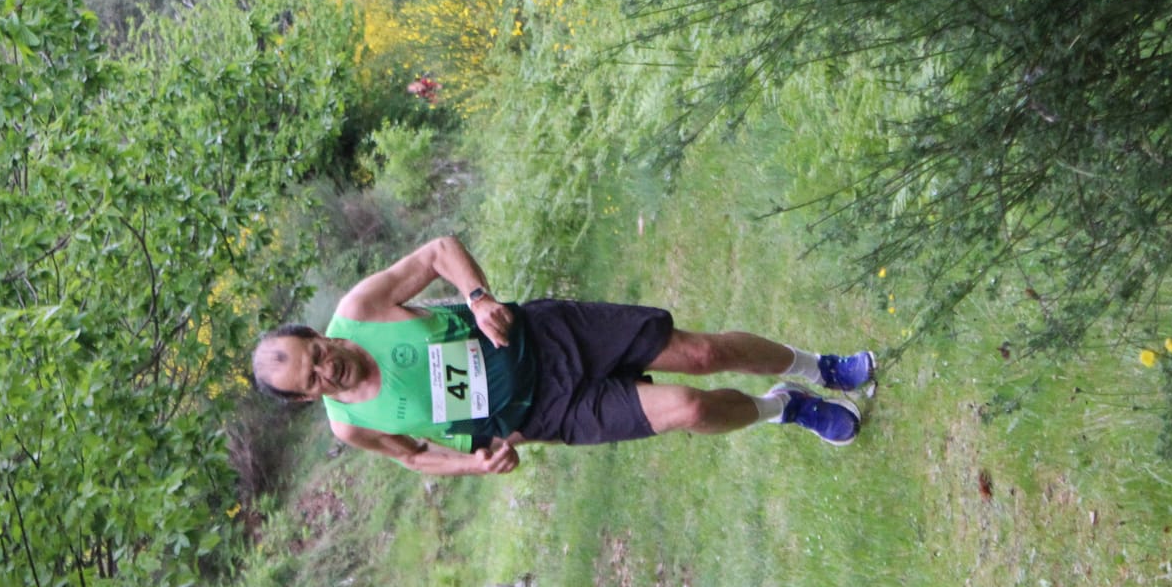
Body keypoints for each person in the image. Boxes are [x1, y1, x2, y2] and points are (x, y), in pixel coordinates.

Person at [249, 235, 877, 477]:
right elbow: (415, 457)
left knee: (702, 351)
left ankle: (815, 366)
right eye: (315, 378)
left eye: (318, 351)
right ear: (308, 396)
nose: (329, 366)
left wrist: (478, 296)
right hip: (547, 412)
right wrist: (478, 466)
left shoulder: (361, 309)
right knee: (685, 409)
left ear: (316, 333)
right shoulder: (350, 424)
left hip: (550, 338)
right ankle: (784, 410)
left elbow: (438, 251)